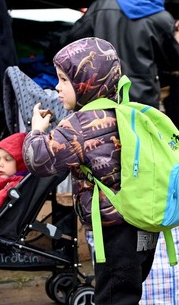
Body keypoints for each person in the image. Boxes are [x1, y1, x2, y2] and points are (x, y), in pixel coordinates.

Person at [23, 37, 158, 304]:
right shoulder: (126, 112)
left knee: (112, 298)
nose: (57, 87)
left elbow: (37, 160)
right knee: (128, 292)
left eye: (63, 79)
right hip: (144, 223)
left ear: (85, 80)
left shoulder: (81, 125)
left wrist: (37, 130)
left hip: (116, 229)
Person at [62, 0, 179, 109]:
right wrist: (176, 41)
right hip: (142, 102)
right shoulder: (161, 18)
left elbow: (70, 43)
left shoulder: (100, 7)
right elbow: (174, 63)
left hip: (101, 97)